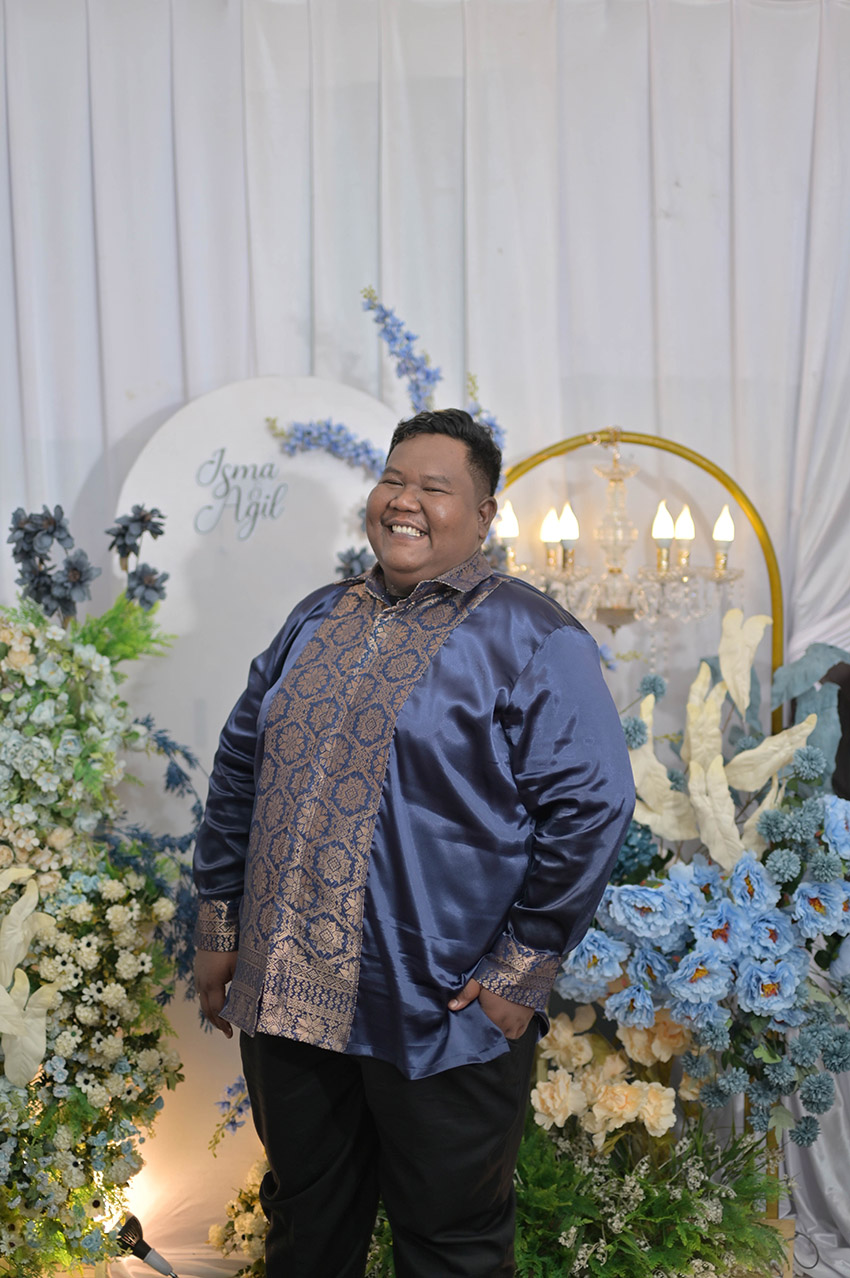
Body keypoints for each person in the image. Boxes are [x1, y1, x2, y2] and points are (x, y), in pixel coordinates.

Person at [193, 408, 635, 1278]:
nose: (405, 501)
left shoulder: (532, 636)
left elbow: (593, 804)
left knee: (451, 1244)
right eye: (394, 480)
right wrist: (220, 925)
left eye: (435, 487)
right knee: (306, 1231)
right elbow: (241, 763)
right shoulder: (317, 617)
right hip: (287, 996)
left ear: (484, 515)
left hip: (439, 1006)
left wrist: (521, 967)